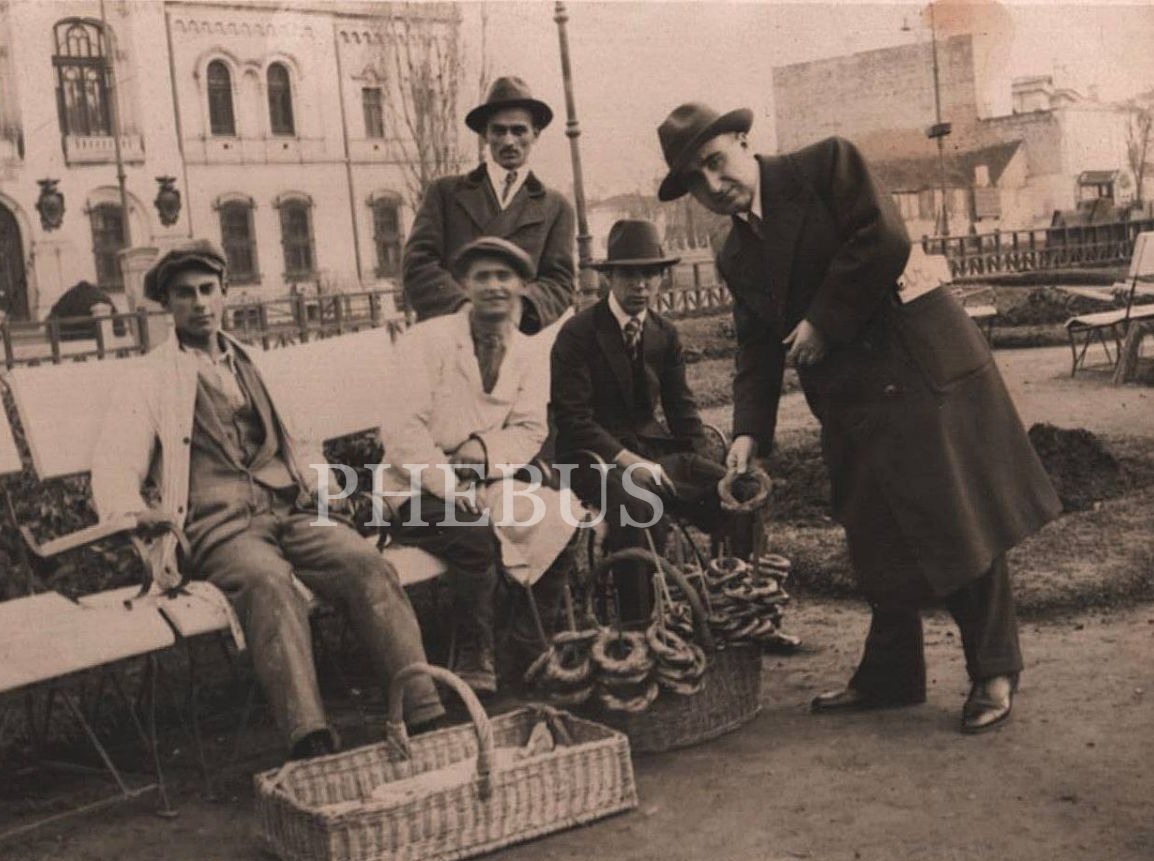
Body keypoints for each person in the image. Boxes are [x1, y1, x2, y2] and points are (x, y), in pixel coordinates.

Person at [653, 102, 1061, 733]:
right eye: (696, 180)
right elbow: (756, 346)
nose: (713, 183)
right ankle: (891, 675)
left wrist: (822, 321)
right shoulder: (732, 252)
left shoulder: (824, 166)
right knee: (871, 528)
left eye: (715, 161)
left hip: (921, 375)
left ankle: (995, 669)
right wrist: (748, 432)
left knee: (955, 520)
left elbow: (884, 238)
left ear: (742, 141)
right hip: (850, 399)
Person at [90, 240, 446, 760]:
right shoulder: (149, 378)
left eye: (208, 290)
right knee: (268, 583)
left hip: (290, 508)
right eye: (185, 294)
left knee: (365, 563)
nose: (200, 303)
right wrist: (133, 514)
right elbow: (115, 464)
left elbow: (301, 444)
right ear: (167, 304)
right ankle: (310, 739)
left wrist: (326, 492)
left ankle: (425, 709)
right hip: (220, 526)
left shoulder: (257, 364)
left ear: (224, 293)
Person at [550, 219, 800, 650]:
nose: (641, 285)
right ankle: (641, 637)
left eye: (651, 274)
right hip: (592, 460)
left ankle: (741, 615)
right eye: (629, 274)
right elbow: (574, 420)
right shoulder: (578, 333)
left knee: (739, 493)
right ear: (609, 277)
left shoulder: (663, 333)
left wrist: (713, 468)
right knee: (641, 507)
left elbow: (683, 413)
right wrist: (631, 463)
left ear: (661, 277)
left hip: (652, 452)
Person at [381, 237, 587, 695]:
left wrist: (483, 449)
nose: (495, 287)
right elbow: (401, 434)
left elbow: (530, 428)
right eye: (482, 277)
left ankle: (527, 647)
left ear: (523, 285)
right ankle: (475, 655)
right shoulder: (428, 342)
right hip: (412, 488)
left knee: (564, 514)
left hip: (486, 480)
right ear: (464, 285)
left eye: (505, 277)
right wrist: (451, 484)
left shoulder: (528, 352)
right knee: (472, 532)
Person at [402, 76, 576, 334]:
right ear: (485, 135)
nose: (509, 141)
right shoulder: (444, 193)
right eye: (499, 131)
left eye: (519, 130)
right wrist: (462, 307)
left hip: (518, 337)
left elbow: (560, 281)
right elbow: (417, 263)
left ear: (535, 134)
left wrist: (519, 308)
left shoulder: (556, 207)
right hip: (450, 332)